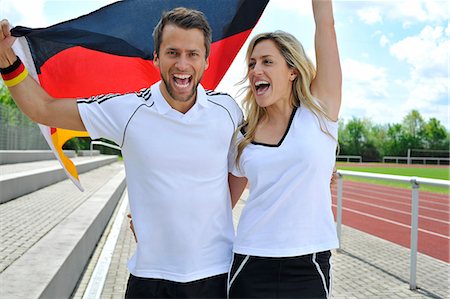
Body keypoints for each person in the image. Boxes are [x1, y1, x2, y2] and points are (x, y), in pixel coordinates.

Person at [0, 7, 244, 298]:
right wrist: (7, 63)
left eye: (192, 54)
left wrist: (201, 222)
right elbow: (44, 108)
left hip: (216, 275)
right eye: (172, 52)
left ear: (206, 60)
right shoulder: (128, 110)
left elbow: (240, 170)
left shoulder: (228, 110)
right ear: (156, 57)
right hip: (150, 280)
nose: (182, 64)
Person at [227, 0, 342, 298]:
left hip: (308, 264)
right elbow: (220, 205)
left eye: (267, 61)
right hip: (250, 260)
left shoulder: (320, 111)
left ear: (292, 70)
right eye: (252, 64)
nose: (256, 70)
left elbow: (325, 26)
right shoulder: (243, 135)